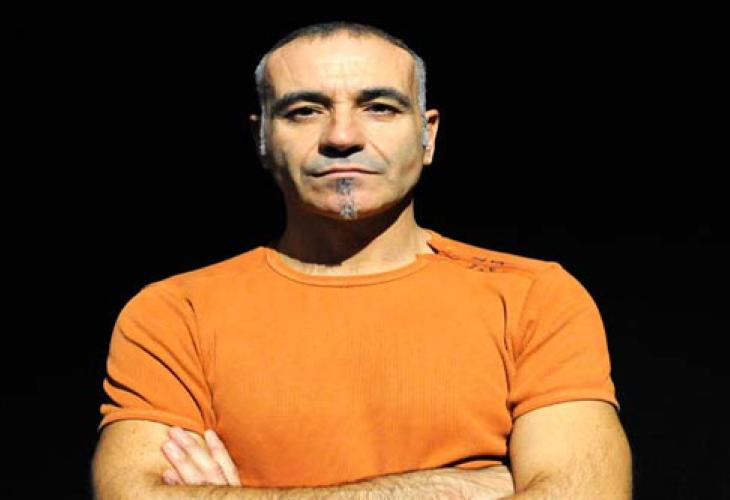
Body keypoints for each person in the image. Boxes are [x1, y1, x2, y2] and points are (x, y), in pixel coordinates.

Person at [91, 21, 632, 499]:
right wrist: (450, 487)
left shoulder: (534, 297)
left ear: (428, 135)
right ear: (262, 138)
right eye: (305, 111)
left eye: (380, 108)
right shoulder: (174, 314)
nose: (342, 137)